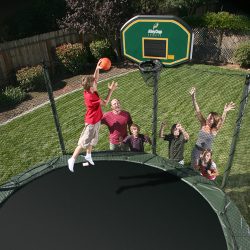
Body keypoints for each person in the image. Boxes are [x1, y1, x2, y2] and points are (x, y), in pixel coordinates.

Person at [68, 60, 118, 172]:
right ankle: (72, 159)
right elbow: (105, 103)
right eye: (95, 83)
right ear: (91, 88)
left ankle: (88, 155)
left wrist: (97, 68)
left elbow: (95, 78)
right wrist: (110, 90)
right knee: (83, 142)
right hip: (91, 122)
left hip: (96, 120)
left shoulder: (89, 90)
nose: (97, 82)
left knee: (92, 140)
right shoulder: (92, 97)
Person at [189, 86, 236, 168]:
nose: (208, 118)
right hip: (197, 151)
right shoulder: (203, 124)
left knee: (205, 170)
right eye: (208, 116)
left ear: (214, 121)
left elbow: (221, 122)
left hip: (207, 154)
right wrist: (193, 97)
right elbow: (197, 110)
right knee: (195, 169)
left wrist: (225, 111)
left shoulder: (214, 130)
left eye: (211, 118)